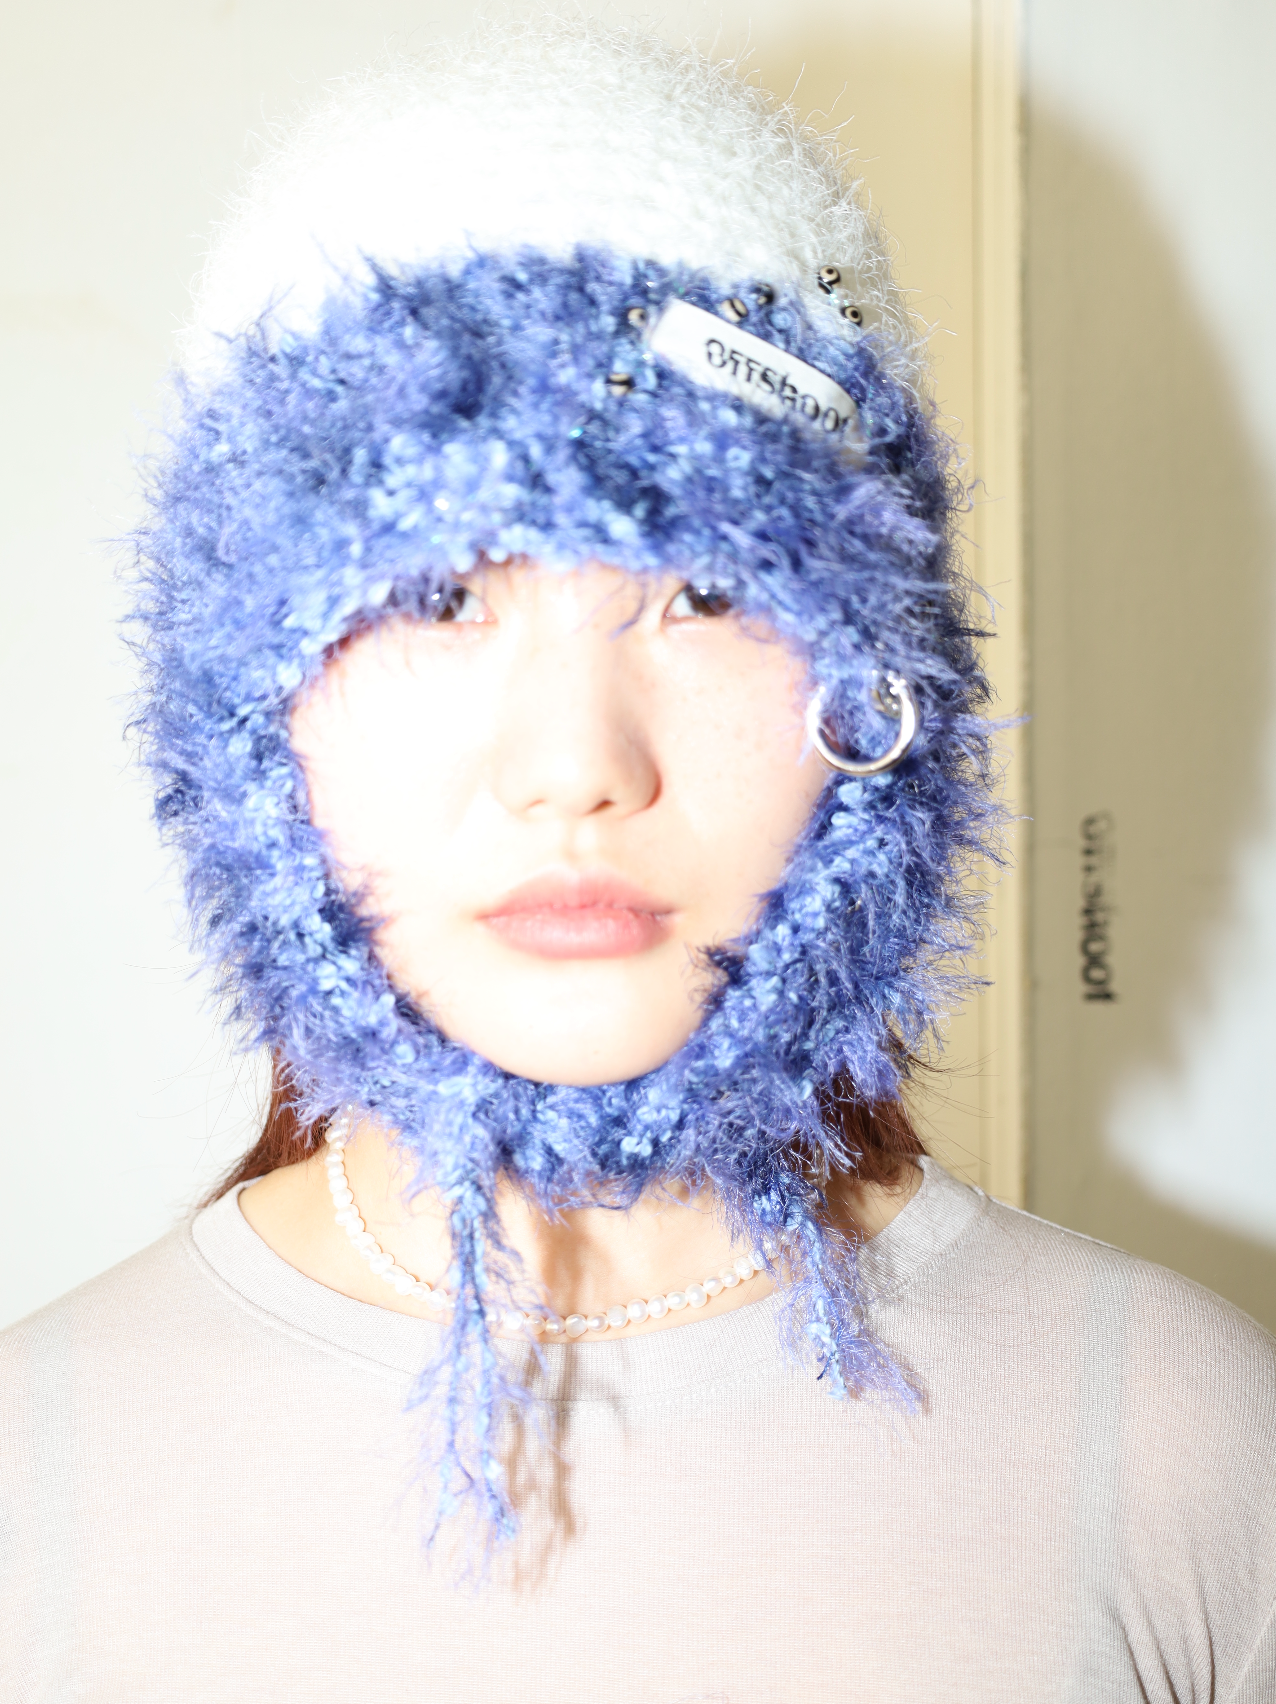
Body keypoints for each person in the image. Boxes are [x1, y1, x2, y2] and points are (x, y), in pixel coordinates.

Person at [2, 19, 1273, 1703]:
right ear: (247, 714)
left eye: (708, 593)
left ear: (880, 693)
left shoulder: (1181, 1443)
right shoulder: (36, 1475)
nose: (577, 767)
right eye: (438, 595)